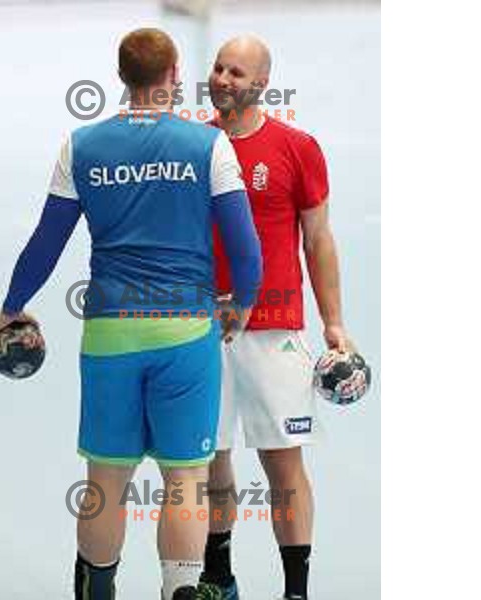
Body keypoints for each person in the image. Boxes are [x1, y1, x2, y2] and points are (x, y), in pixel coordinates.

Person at [0, 29, 262, 600]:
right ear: (174, 72)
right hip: (186, 333)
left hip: (111, 333)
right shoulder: (208, 146)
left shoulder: (81, 145)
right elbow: (245, 250)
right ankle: (179, 591)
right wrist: (243, 303)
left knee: (106, 482)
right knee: (185, 480)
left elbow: (46, 242)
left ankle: (96, 592)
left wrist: (11, 307)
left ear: (120, 76)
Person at [199, 36, 353, 600]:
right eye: (218, 68)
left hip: (275, 331)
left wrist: (333, 320)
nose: (223, 78)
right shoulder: (195, 144)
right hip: (204, 330)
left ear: (262, 83)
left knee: (283, 467)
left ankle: (296, 591)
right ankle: (218, 578)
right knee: (210, 461)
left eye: (236, 72)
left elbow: (317, 238)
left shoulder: (297, 147)